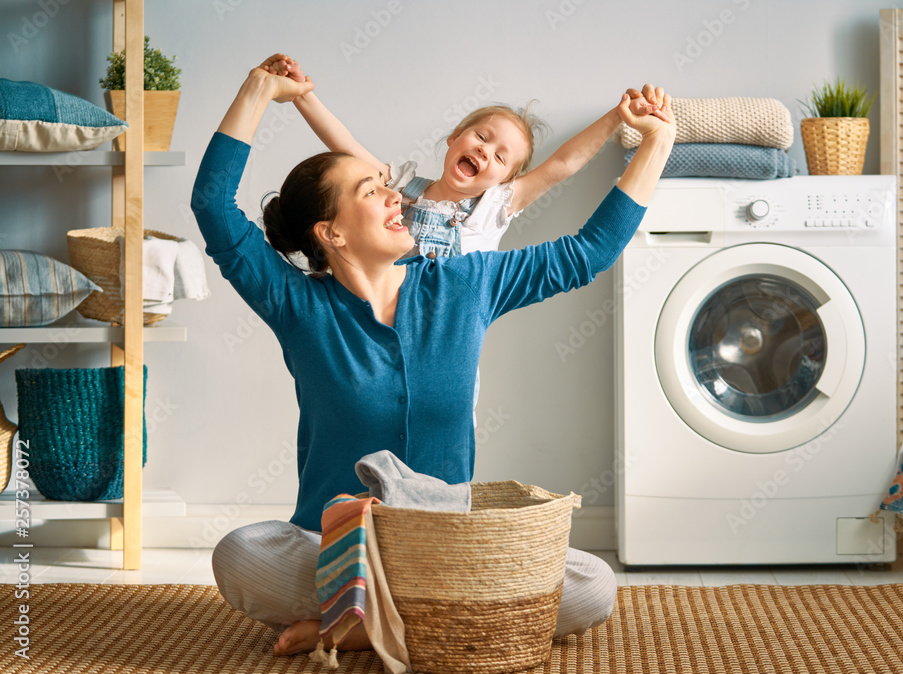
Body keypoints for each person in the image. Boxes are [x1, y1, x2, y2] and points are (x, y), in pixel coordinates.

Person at [193, 55, 675, 658]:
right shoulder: (295, 303)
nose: (395, 196)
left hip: (450, 552)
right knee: (241, 554)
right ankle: (431, 623)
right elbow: (213, 206)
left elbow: (587, 253)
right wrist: (259, 90)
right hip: (339, 548)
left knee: (592, 586)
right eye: (371, 191)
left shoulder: (465, 284)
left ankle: (368, 624)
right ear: (331, 232)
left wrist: (656, 143)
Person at [262, 54, 658, 260]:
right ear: (454, 138)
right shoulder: (400, 189)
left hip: (451, 339)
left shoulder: (496, 206)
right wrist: (303, 95)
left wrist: (615, 118)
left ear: (504, 182)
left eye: (502, 158)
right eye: (482, 137)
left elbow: (561, 165)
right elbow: (345, 146)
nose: (486, 151)